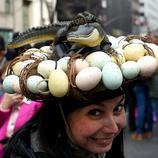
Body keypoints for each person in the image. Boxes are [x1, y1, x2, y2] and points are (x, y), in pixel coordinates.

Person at [2, 12, 157, 158]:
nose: (113, 128)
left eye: (117, 108)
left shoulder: (101, 150)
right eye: (95, 112)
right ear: (60, 114)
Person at [0, 62, 43, 158]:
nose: (5, 85)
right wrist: (4, 107)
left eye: (11, 78)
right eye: (3, 80)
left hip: (19, 151)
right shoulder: (3, 99)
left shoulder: (35, 103)